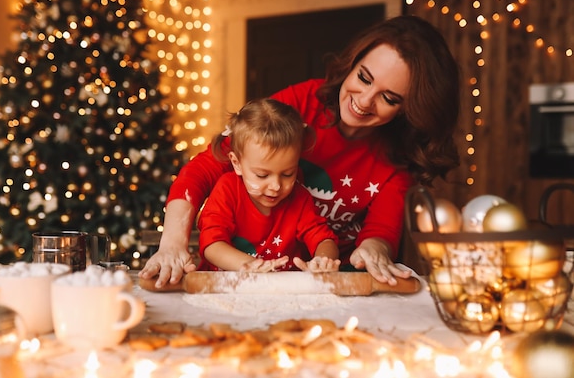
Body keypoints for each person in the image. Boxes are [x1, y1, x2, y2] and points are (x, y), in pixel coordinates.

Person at [139, 15, 460, 288]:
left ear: (409, 109)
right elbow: (206, 166)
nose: (363, 101)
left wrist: (373, 251)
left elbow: (380, 233)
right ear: (352, 63)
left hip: (325, 283)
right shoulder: (300, 103)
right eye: (363, 78)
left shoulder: (398, 157)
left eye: (388, 98)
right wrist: (172, 242)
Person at [197, 98, 340, 273]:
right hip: (225, 289)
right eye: (262, 175)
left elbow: (324, 240)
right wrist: (249, 265)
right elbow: (212, 245)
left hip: (279, 294)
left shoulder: (299, 197)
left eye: (288, 174)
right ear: (237, 163)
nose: (276, 186)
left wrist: (323, 260)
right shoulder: (227, 190)